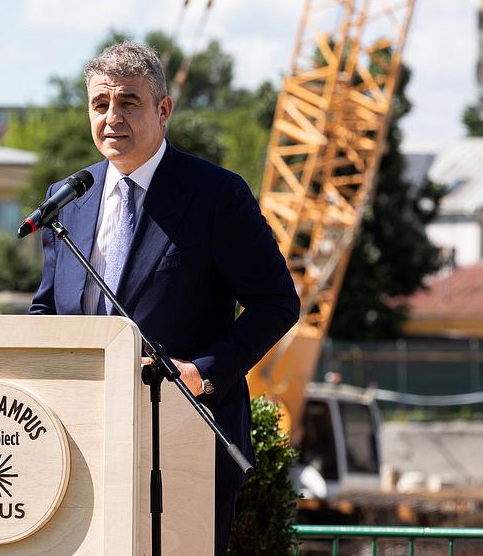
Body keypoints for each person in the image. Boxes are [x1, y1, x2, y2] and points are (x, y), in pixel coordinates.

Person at [29, 41, 299, 555]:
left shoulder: (216, 195)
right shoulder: (69, 198)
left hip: (184, 438)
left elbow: (277, 302)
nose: (112, 117)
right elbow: (47, 309)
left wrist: (202, 371)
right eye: (100, 104)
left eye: (128, 101)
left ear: (163, 109)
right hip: (81, 445)